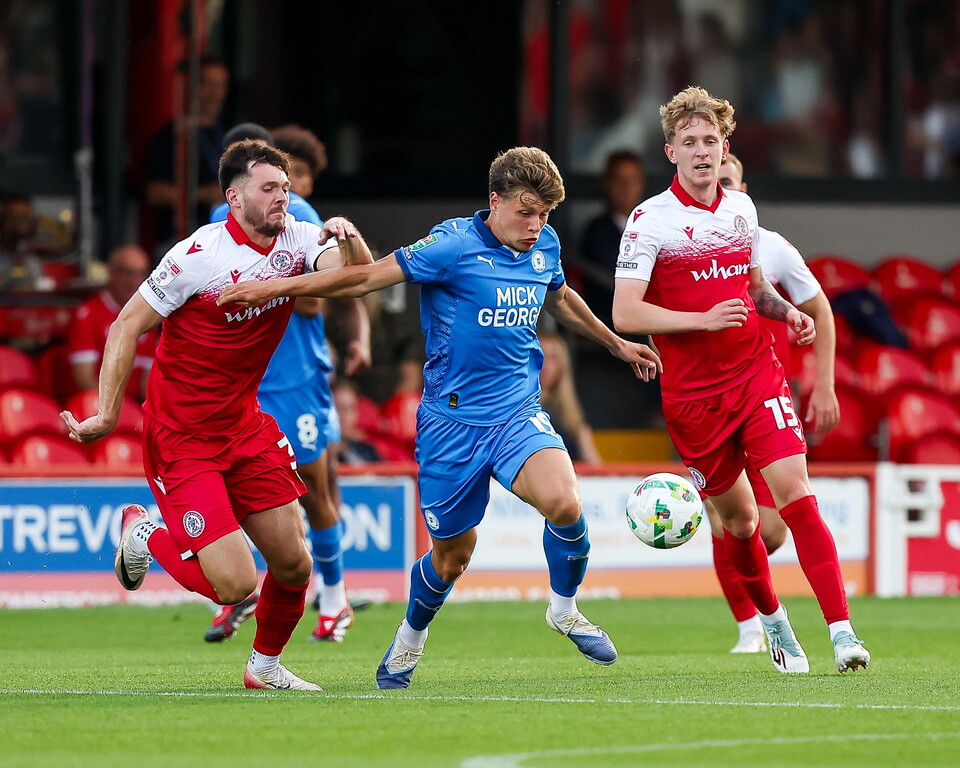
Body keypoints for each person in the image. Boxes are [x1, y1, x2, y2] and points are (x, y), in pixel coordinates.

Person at [218, 146, 662, 690]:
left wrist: (616, 344)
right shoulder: (450, 244)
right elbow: (362, 280)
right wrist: (271, 288)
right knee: (452, 557)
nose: (535, 224)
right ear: (494, 200)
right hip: (451, 426)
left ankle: (564, 608)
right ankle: (409, 638)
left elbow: (561, 297)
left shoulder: (543, 243)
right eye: (525, 211)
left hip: (517, 413)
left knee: (565, 502)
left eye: (544, 213)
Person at [60, 139, 373, 691]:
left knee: (295, 565)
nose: (284, 198)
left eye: (287, 187)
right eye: (270, 188)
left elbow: (357, 279)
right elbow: (125, 326)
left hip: (245, 426)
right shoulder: (196, 257)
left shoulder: (300, 237)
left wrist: (349, 238)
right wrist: (107, 413)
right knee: (234, 585)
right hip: (181, 437)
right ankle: (145, 532)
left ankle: (265, 668)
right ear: (234, 196)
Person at [612, 86, 870, 674]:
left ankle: (842, 633)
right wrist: (699, 320)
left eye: (710, 141)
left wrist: (787, 311)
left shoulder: (741, 210)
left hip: (756, 376)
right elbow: (626, 313)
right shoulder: (649, 220)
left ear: (724, 146)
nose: (701, 152)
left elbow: (753, 289)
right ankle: (775, 625)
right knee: (741, 522)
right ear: (670, 151)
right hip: (693, 399)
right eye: (689, 143)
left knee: (797, 498)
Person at [205, 122, 370, 644]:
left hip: (296, 374)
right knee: (235, 488)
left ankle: (335, 598)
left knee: (315, 487)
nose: (282, 192)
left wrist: (264, 287)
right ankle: (239, 592)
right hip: (242, 380)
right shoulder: (215, 224)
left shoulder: (302, 220)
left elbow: (325, 296)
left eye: (289, 181)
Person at [708, 151, 841, 654]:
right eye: (714, 180)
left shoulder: (771, 247)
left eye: (729, 181)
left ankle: (773, 615)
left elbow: (818, 309)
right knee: (729, 520)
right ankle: (750, 627)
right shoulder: (686, 243)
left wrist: (824, 383)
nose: (720, 188)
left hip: (765, 396)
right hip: (714, 399)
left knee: (771, 532)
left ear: (745, 190)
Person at [142, 57, 230, 255]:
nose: (216, 94)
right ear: (191, 87)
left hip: (226, 245)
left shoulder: (230, 133)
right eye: (209, 85)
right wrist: (203, 194)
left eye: (221, 85)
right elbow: (154, 192)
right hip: (181, 244)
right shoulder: (170, 137)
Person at [67, 244, 156, 401]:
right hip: (100, 405)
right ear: (111, 272)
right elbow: (85, 380)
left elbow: (148, 383)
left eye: (140, 274)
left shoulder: (147, 315)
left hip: (138, 407)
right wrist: (122, 411)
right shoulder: (88, 314)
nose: (134, 281)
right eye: (128, 273)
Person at [576, 150, 646, 328]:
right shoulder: (596, 231)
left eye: (632, 180)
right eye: (619, 180)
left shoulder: (655, 227)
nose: (626, 187)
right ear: (607, 184)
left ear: (641, 184)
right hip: (608, 325)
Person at [537, 328, 601, 463]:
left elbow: (594, 464)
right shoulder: (517, 410)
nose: (546, 365)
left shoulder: (572, 417)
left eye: (553, 358)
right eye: (541, 357)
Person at [331, 376, 383, 464]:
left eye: (351, 408)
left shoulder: (367, 450)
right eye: (338, 408)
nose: (344, 416)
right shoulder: (315, 454)